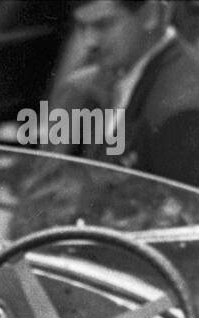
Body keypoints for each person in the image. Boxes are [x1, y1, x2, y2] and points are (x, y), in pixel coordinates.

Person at [49, 0, 199, 186]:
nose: (89, 42)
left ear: (150, 14)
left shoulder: (180, 113)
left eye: (103, 24)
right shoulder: (92, 84)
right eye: (81, 26)